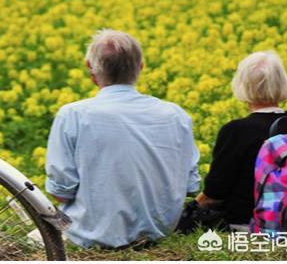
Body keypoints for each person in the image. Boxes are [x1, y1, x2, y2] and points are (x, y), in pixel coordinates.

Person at [45, 29, 201, 248]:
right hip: (161, 236)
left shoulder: (73, 115)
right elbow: (191, 186)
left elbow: (60, 192)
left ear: (90, 68)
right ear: (141, 67)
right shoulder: (176, 115)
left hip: (90, 238)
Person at [195, 50, 287, 228]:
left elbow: (214, 194)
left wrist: (189, 210)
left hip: (245, 224)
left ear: (242, 85)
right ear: (283, 83)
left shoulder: (235, 130)